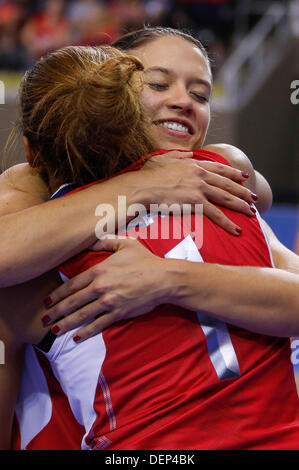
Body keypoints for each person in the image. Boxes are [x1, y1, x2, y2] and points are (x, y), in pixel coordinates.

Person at [1, 30, 298, 450]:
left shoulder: (213, 177)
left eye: (202, 93)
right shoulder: (32, 184)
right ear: (111, 91)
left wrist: (166, 278)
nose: (183, 100)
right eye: (157, 84)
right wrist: (146, 184)